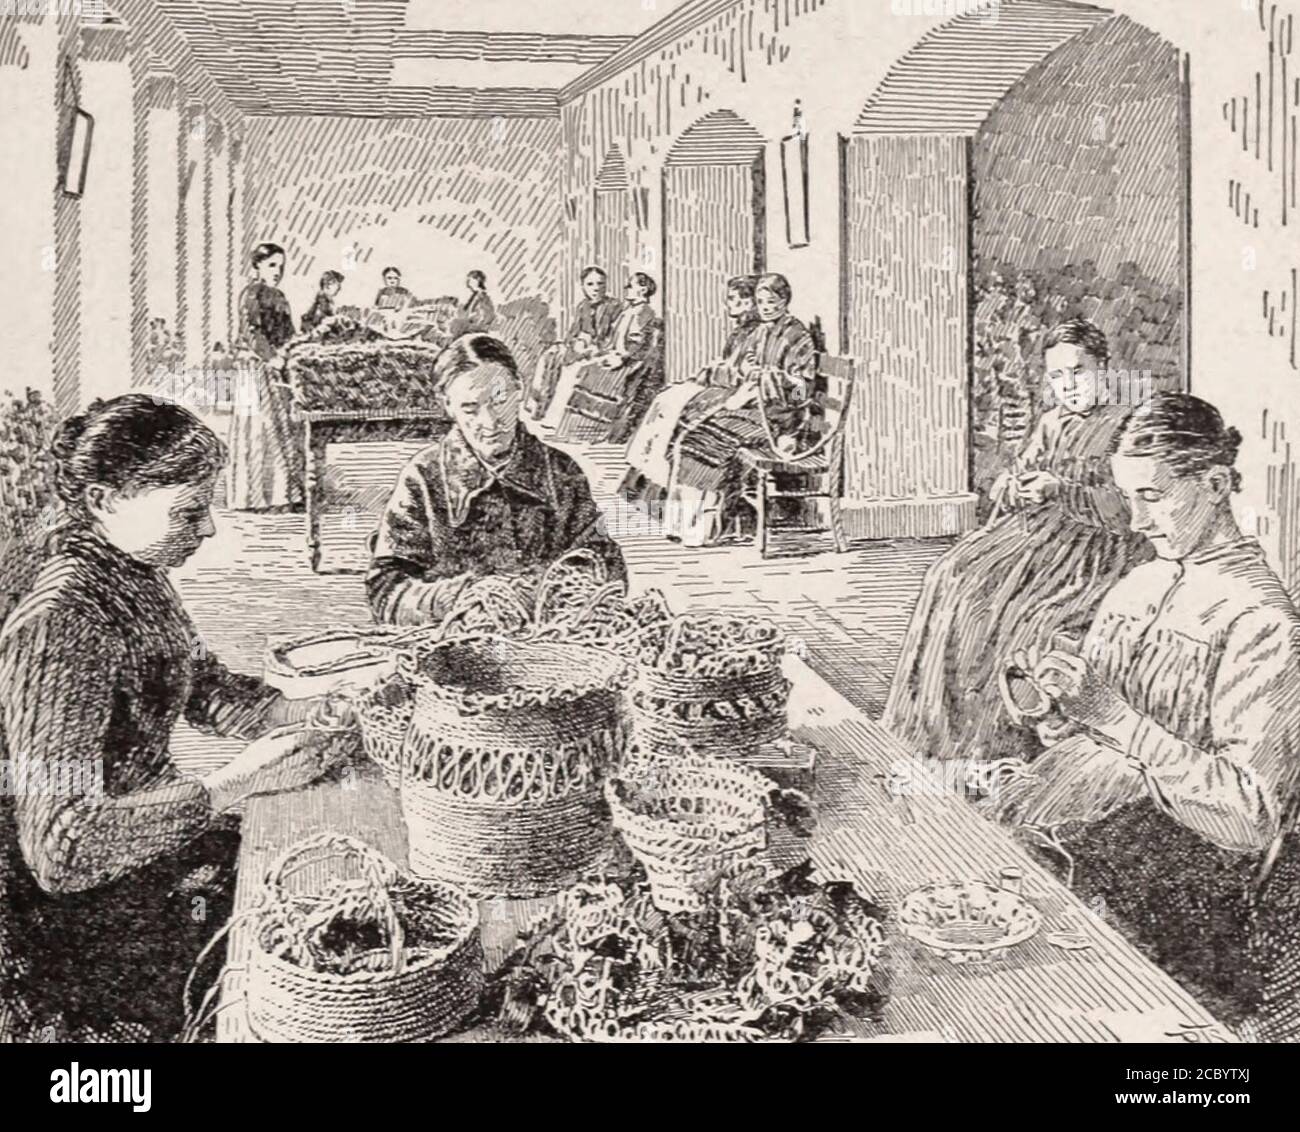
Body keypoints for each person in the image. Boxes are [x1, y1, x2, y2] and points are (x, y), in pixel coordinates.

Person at [0, 396, 348, 1043]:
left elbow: (201, 683)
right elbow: (61, 849)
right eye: (191, 511)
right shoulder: (61, 621)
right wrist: (233, 784)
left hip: (149, 850)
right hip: (76, 925)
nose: (210, 528)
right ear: (105, 501)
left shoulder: (132, 572)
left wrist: (302, 710)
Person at [988, 394, 1300, 1039]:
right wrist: (1054, 710)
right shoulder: (1137, 587)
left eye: (1153, 496)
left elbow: (1250, 815)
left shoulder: (1261, 620)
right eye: (1127, 497)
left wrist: (1112, 718)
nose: (1134, 520)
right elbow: (1084, 730)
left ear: (1215, 485)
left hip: (1174, 870)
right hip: (1088, 816)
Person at [882, 318, 1148, 763]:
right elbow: (1024, 468)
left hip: (1094, 549)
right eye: (1058, 377)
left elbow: (1129, 510)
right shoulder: (1049, 422)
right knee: (951, 574)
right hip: (1037, 535)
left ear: (1103, 367)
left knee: (1015, 612)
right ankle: (930, 725)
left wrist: (1061, 490)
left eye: (1079, 371)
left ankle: (989, 744)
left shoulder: (1127, 426)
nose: (1070, 386)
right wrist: (1013, 482)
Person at [367, 334, 626, 625]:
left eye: (500, 400)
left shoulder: (560, 471)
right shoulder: (424, 477)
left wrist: (552, 593)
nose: (490, 423)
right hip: (454, 648)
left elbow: (604, 562)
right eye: (470, 408)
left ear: (520, 390)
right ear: (448, 406)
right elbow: (386, 592)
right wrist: (462, 598)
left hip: (551, 646)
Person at [659, 273, 817, 546]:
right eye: (761, 302)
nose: (766, 307)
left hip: (780, 418)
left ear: (785, 300)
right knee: (693, 436)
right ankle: (683, 525)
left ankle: (703, 529)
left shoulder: (797, 335)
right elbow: (746, 365)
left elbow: (804, 390)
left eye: (772, 301)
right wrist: (749, 370)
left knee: (704, 443)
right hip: (755, 409)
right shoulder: (761, 331)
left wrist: (772, 378)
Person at [620, 275, 759, 517]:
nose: (728, 305)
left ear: (749, 303)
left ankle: (658, 493)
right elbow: (733, 366)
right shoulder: (744, 332)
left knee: (676, 409)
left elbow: (795, 389)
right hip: (728, 388)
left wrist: (722, 373)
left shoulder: (769, 334)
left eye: (733, 300)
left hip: (747, 401)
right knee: (665, 400)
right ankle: (642, 486)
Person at [228, 243, 303, 512]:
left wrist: (293, 351)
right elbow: (251, 332)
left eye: (281, 267)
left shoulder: (280, 297)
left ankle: (284, 494)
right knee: (258, 430)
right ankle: (254, 497)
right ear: (257, 266)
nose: (277, 271)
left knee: (280, 427)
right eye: (272, 265)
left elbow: (288, 332)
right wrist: (271, 357)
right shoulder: (250, 294)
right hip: (254, 369)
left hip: (276, 369)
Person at [539, 272, 659, 438]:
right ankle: (553, 419)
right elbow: (611, 339)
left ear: (643, 289)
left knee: (577, 371)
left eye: (631, 286)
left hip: (627, 362)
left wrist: (621, 358)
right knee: (570, 367)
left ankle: (560, 422)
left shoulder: (643, 311)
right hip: (613, 354)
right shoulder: (630, 310)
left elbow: (636, 344)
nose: (626, 289)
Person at [526, 266, 622, 418]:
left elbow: (615, 335)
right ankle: (537, 405)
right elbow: (573, 332)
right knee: (549, 356)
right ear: (583, 286)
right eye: (590, 284)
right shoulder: (583, 306)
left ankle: (553, 415)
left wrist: (594, 346)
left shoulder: (614, 306)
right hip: (580, 347)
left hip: (600, 351)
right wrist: (572, 343)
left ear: (606, 285)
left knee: (568, 368)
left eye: (600, 284)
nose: (596, 288)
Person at [301, 270, 345, 334]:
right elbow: (318, 320)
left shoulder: (328, 300)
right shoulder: (322, 300)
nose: (339, 289)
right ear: (328, 286)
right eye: (337, 286)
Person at [454, 271, 496, 335]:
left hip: (476, 331)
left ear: (478, 280)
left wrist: (470, 323)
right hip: (468, 329)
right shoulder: (473, 295)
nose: (467, 283)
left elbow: (487, 316)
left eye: (470, 280)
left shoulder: (482, 297)